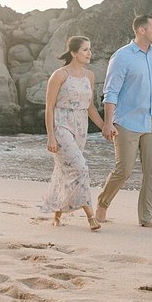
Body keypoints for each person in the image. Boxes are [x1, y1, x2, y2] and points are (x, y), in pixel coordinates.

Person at [95, 14, 152, 228]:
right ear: (141, 30)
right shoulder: (122, 57)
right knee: (123, 170)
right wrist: (108, 123)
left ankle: (146, 218)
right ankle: (102, 203)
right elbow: (111, 92)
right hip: (126, 122)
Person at [41, 36, 106, 231]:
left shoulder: (90, 76)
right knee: (80, 168)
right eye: (85, 50)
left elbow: (90, 107)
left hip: (80, 128)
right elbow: (49, 107)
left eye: (90, 49)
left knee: (65, 170)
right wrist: (50, 136)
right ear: (73, 53)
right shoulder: (60, 75)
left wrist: (104, 127)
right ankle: (91, 216)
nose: (89, 53)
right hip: (61, 126)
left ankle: (57, 214)